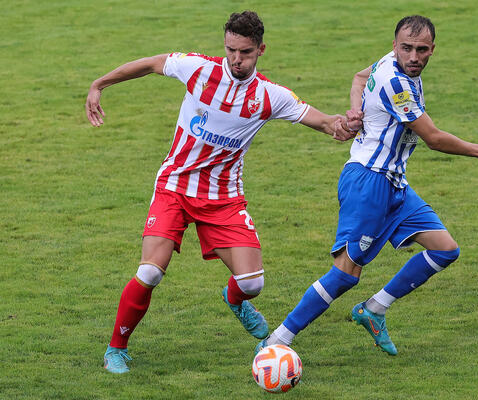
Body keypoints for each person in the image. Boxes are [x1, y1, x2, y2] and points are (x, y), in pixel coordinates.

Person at [86, 11, 359, 373]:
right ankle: (116, 348)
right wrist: (99, 84)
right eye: (230, 49)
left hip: (223, 197)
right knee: (151, 272)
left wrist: (343, 126)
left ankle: (236, 301)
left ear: (261, 50)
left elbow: (324, 122)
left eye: (245, 52)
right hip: (175, 186)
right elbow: (151, 63)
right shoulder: (197, 69)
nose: (236, 59)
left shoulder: (269, 96)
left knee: (253, 282)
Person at [256, 15, 478, 356]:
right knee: (345, 274)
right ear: (395, 46)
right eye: (406, 48)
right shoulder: (396, 85)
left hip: (394, 183)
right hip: (368, 183)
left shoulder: (388, 63)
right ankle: (277, 340)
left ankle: (374, 309)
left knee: (445, 249)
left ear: (432, 49)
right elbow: (432, 138)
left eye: (421, 49)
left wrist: (356, 110)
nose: (413, 57)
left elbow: (359, 77)